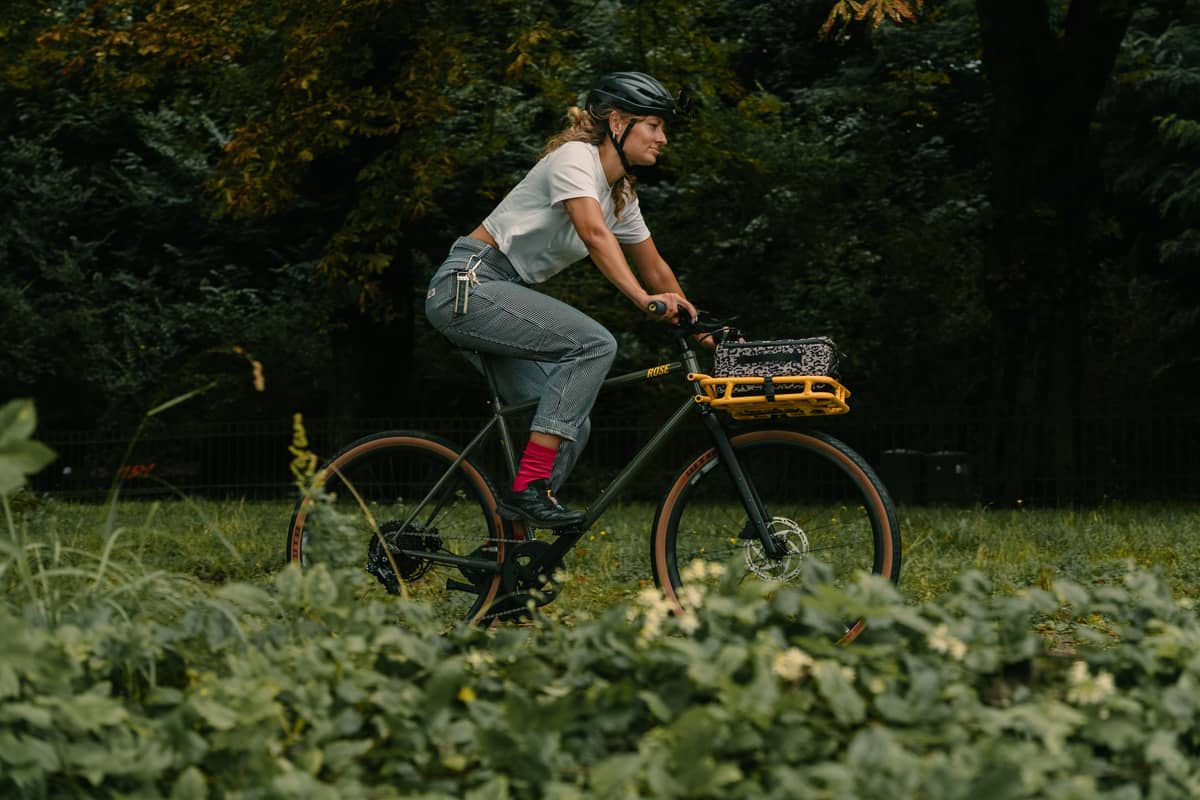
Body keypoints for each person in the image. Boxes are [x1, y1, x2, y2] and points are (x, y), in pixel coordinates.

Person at [424, 71, 699, 530]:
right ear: (617, 122)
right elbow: (593, 235)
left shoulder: (620, 197)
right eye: (654, 126)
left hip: (503, 292)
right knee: (593, 344)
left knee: (570, 421)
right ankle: (531, 488)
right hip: (469, 283)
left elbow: (657, 269)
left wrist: (702, 327)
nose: (663, 139)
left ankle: (511, 552)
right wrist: (641, 300)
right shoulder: (575, 158)